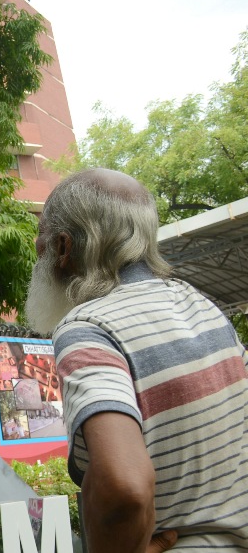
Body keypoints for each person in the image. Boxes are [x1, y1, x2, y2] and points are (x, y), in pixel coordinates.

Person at [25, 168, 248, 552]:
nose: (37, 248)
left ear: (63, 248)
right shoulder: (197, 303)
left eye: (41, 239)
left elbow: (124, 486)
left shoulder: (88, 328)